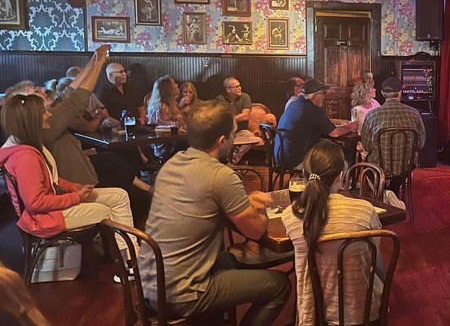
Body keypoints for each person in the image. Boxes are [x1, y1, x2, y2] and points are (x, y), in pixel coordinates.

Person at [138, 101, 290, 325]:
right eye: (233, 134)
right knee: (279, 286)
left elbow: (202, 200)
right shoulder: (221, 176)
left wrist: (241, 203)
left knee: (229, 259)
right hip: (181, 294)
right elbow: (256, 231)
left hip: (150, 282)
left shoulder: (171, 165)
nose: (234, 138)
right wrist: (262, 206)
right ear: (222, 141)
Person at [0, 94, 138, 275]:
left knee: (119, 195)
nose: (49, 115)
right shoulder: (26, 157)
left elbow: (52, 180)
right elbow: (35, 203)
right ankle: (128, 266)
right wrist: (75, 198)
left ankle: (132, 257)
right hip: (43, 220)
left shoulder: (27, 147)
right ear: (31, 119)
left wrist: (75, 188)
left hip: (47, 211)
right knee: (103, 210)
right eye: (44, 112)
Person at [282, 141, 384, 325]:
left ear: (305, 176)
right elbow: (374, 250)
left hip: (313, 310)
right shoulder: (364, 210)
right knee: (376, 257)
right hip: (360, 308)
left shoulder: (290, 215)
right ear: (341, 176)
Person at [361, 77, 426, 193]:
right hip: (406, 165)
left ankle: (383, 192)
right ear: (400, 92)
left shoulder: (372, 115)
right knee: (407, 167)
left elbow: (367, 146)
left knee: (367, 162)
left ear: (382, 93)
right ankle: (393, 190)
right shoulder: (414, 113)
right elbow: (421, 144)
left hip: (379, 165)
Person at [276, 79, 357, 170]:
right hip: (295, 161)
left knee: (330, 145)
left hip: (281, 156)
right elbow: (335, 133)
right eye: (323, 93)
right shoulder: (312, 110)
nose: (324, 97)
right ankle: (339, 182)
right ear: (315, 96)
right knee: (341, 161)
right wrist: (350, 127)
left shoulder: (294, 104)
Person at [215, 77, 259, 164]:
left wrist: (230, 118)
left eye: (239, 86)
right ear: (228, 89)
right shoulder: (220, 100)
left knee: (250, 137)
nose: (240, 88)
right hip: (226, 131)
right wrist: (237, 118)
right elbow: (221, 118)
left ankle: (232, 161)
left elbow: (246, 116)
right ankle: (226, 162)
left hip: (241, 130)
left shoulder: (245, 97)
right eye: (236, 87)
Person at [146, 76, 187, 160]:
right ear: (168, 89)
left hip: (179, 140)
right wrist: (176, 130)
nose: (177, 85)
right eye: (174, 84)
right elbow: (162, 128)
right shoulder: (161, 107)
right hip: (168, 145)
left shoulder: (174, 104)